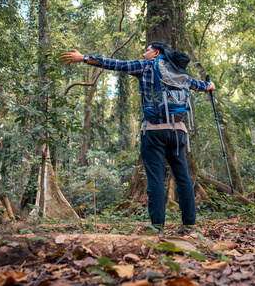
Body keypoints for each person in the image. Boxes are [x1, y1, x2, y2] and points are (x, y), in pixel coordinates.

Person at [60, 42, 215, 234]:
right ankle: (189, 226)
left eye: (147, 50)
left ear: (156, 53)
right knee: (183, 177)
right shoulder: (180, 72)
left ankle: (157, 228)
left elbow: (117, 64)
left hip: (154, 131)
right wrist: (209, 85)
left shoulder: (147, 66)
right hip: (179, 132)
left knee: (156, 179)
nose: (144, 54)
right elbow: (203, 86)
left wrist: (84, 58)